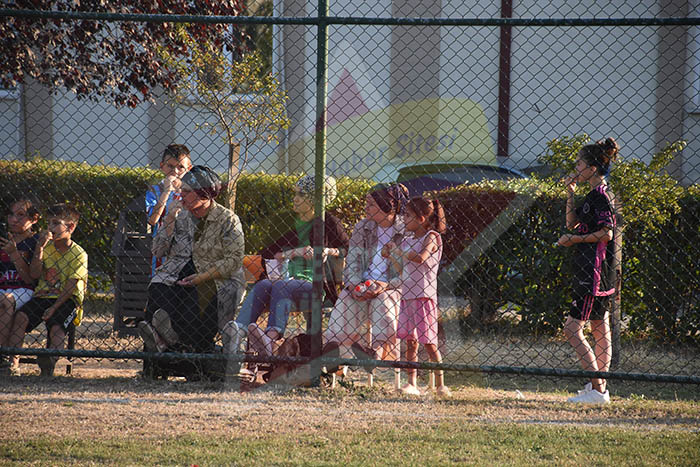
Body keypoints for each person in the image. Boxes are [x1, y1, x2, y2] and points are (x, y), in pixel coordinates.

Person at [223, 174, 349, 358]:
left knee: (281, 285)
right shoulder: (285, 221)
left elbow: (346, 248)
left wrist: (328, 251)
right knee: (263, 285)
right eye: (295, 193)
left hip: (314, 285)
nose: (295, 198)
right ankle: (237, 332)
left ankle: (271, 339)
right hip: (282, 279)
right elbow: (268, 254)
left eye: (301, 194)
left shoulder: (329, 222)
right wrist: (295, 252)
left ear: (314, 199)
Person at [138, 165, 245, 357]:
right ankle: (168, 341)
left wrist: (201, 277)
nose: (181, 195)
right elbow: (158, 250)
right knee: (158, 290)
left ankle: (171, 343)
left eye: (187, 192)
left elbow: (234, 260)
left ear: (204, 194)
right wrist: (169, 219)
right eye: (182, 190)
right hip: (177, 273)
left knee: (195, 305)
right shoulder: (180, 216)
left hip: (213, 276)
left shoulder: (227, 220)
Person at [558, 138, 619, 405]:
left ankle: (598, 389)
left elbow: (607, 233)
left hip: (594, 272)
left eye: (579, 164)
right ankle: (599, 388)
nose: (576, 168)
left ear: (593, 168)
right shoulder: (592, 195)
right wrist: (570, 193)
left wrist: (574, 241)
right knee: (598, 327)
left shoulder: (601, 197)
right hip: (593, 270)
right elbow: (571, 223)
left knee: (572, 329)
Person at [324, 183, 408, 370]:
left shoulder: (405, 229)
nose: (365, 208)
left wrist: (386, 285)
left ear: (387, 205)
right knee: (346, 299)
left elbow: (410, 272)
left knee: (383, 302)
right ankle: (335, 352)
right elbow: (352, 261)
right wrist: (353, 285)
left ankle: (376, 353)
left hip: (392, 287)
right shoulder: (363, 227)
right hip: (364, 284)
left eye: (371, 204)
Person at [8, 203, 88, 377]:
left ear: (70, 227)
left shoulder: (79, 254)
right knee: (21, 317)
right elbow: (35, 274)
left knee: (57, 327)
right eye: (49, 223)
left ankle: (49, 361)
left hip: (66, 299)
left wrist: (54, 307)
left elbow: (71, 286)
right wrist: (40, 248)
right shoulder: (45, 247)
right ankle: (12, 363)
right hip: (43, 296)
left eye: (56, 223)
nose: (50, 228)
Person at [384, 196, 451, 397]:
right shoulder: (408, 241)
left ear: (421, 218)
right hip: (408, 296)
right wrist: (392, 255)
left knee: (429, 343)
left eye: (408, 216)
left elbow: (421, 257)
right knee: (410, 342)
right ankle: (411, 383)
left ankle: (440, 385)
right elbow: (402, 269)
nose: (404, 219)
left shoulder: (432, 237)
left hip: (423, 297)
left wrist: (399, 251)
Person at [0, 198, 41, 375]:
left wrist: (14, 253)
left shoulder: (35, 241)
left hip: (23, 289)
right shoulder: (3, 239)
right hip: (3, 288)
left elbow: (30, 279)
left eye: (21, 215)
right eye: (11, 215)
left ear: (34, 218)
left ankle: (3, 355)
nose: (14, 220)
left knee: (6, 301)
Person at [145, 144, 192, 274]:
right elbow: (153, 220)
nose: (175, 171)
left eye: (180, 167)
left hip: (186, 247)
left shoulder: (192, 192)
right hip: (163, 247)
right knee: (161, 279)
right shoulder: (155, 190)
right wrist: (166, 192)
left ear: (189, 168)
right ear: (162, 166)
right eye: (170, 166)